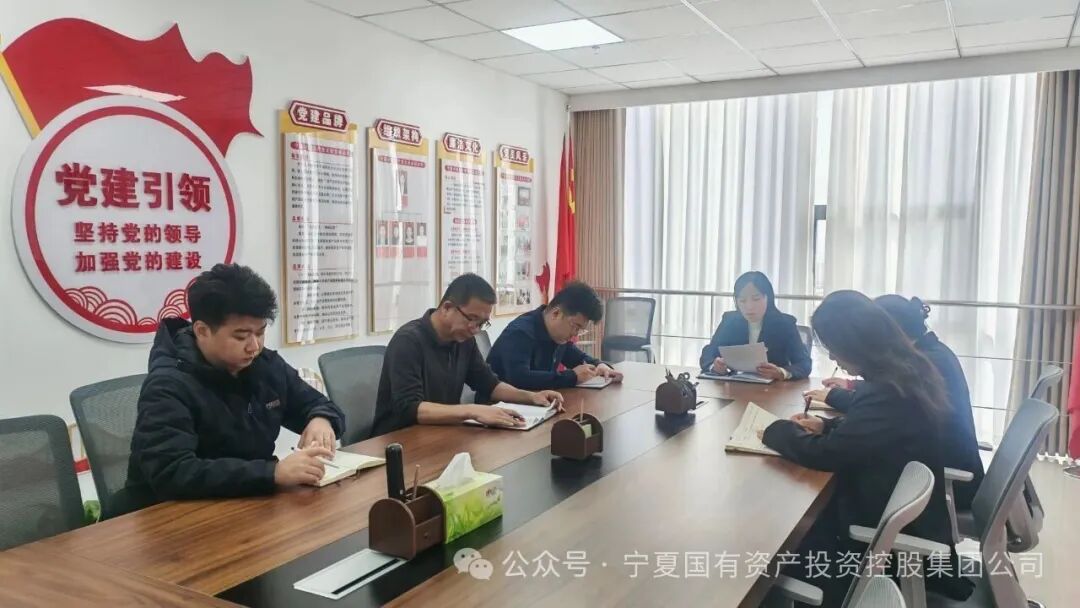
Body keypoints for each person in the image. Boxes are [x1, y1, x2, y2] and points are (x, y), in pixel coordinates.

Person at [762, 291, 967, 603]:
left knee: (764, 548)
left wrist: (772, 430)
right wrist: (827, 426)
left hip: (867, 545)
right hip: (896, 524)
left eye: (834, 350)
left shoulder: (887, 389)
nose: (834, 359)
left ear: (856, 344)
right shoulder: (908, 370)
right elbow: (878, 434)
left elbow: (828, 454)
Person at [122, 264, 346, 516]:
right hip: (170, 517)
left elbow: (317, 404)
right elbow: (172, 472)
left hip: (246, 504)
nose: (254, 346)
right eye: (241, 336)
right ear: (202, 331)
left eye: (260, 333)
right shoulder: (168, 385)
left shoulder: (266, 366)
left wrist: (321, 419)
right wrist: (271, 473)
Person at [810, 295, 984, 509]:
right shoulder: (928, 354)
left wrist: (779, 429)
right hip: (929, 470)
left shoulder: (928, 362)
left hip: (947, 481)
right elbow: (882, 415)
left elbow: (882, 405)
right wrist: (829, 424)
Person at [371, 273, 564, 437]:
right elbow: (410, 409)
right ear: (447, 308)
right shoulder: (408, 341)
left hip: (440, 435)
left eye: (482, 323)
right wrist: (472, 411)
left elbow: (489, 384)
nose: (475, 329)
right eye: (472, 319)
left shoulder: (464, 340)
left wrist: (531, 397)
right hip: (399, 441)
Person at [487, 281, 622, 393]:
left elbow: (578, 358)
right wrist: (571, 377)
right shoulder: (520, 333)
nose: (575, 334)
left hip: (535, 405)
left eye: (580, 330)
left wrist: (599, 365)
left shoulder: (558, 336)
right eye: (575, 326)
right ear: (556, 313)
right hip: (497, 408)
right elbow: (520, 379)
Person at [698, 271, 811, 380]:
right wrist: (714, 366)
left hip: (773, 390)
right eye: (742, 300)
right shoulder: (729, 321)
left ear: (768, 298)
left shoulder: (785, 324)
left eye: (756, 299)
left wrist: (781, 372)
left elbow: (804, 364)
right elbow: (708, 353)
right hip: (735, 387)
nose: (749, 307)